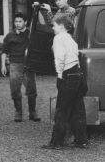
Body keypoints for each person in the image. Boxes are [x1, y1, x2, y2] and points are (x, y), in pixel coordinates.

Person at [41, 14, 88, 150]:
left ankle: (56, 142)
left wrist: (60, 75)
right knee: (78, 109)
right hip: (78, 74)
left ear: (61, 26)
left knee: (62, 109)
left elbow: (60, 58)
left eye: (54, 26)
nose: (53, 28)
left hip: (68, 75)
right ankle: (81, 141)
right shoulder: (70, 38)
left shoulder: (58, 38)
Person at [1, 13, 41, 122]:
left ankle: (32, 113)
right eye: (16, 21)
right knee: (15, 90)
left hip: (28, 66)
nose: (17, 24)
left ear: (25, 22)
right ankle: (18, 112)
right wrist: (3, 65)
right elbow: (4, 52)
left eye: (20, 21)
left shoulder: (31, 34)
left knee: (31, 90)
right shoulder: (10, 36)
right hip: (15, 65)